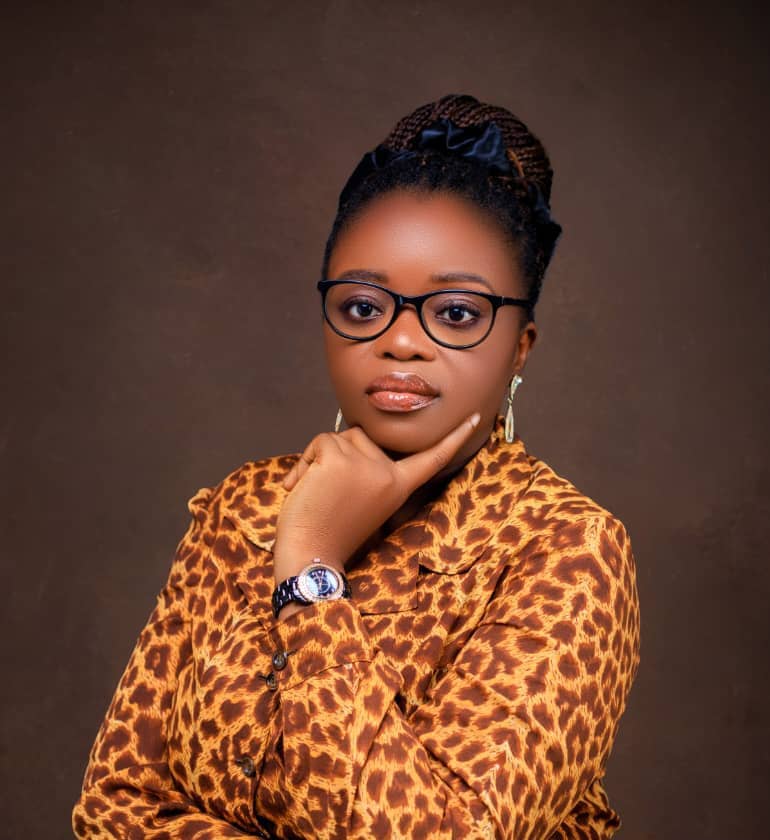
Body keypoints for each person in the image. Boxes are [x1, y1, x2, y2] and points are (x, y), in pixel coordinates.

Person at [72, 93, 640, 839]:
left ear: (519, 348)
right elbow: (111, 807)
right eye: (365, 307)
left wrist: (310, 565)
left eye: (457, 313)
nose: (400, 341)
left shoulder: (567, 551)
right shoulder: (244, 506)